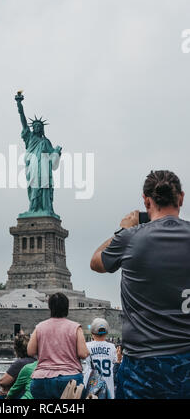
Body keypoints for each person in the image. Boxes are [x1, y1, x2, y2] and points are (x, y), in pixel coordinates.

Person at [90, 170, 190, 399]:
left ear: (146, 201)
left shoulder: (130, 238)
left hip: (141, 366)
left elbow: (96, 261)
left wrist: (123, 230)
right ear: (181, 198)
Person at [28, 292, 89, 399]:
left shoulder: (39, 327)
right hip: (69, 379)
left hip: (41, 379)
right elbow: (83, 353)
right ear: (67, 307)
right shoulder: (75, 327)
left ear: (50, 307)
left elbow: (30, 351)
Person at [83, 318, 117, 399]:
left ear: (92, 333)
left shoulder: (87, 346)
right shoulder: (112, 347)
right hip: (108, 385)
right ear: (106, 333)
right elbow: (115, 363)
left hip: (91, 385)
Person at [0, 333, 35, 399]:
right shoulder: (35, 362)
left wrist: (8, 390)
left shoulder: (20, 363)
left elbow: (3, 382)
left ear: (16, 349)